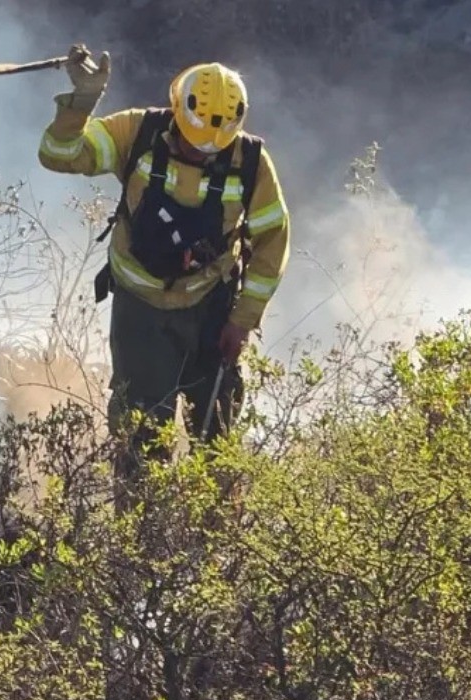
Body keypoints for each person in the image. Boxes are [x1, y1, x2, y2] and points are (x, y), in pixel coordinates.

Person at [37, 45, 290, 475]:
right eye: (192, 146)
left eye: (211, 150)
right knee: (140, 441)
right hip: (141, 313)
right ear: (176, 110)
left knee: (218, 441)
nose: (200, 154)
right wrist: (83, 102)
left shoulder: (250, 163)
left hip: (211, 312)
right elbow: (59, 155)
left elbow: (273, 240)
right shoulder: (136, 132)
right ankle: (141, 536)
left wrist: (241, 321)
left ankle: (216, 535)